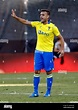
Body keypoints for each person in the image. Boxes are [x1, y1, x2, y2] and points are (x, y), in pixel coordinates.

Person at [11, 9, 64, 97]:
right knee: (36, 71)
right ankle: (35, 92)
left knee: (48, 72)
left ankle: (48, 92)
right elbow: (25, 21)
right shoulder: (37, 24)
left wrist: (62, 49)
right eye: (40, 15)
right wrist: (16, 17)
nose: (41, 16)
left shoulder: (53, 27)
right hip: (38, 52)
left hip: (47, 53)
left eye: (43, 15)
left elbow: (61, 38)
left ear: (48, 16)